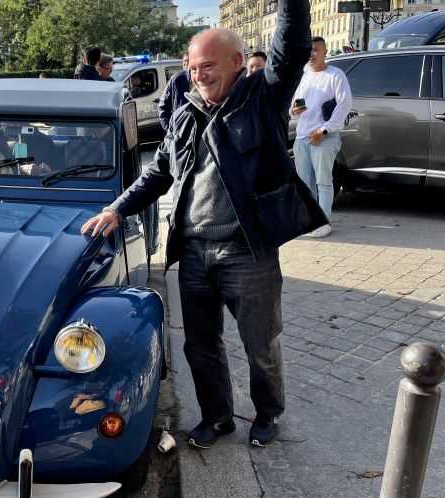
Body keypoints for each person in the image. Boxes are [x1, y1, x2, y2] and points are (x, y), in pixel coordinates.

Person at [81, 0, 326, 449]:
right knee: (200, 346)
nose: (199, 74)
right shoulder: (185, 111)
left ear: (237, 62)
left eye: (208, 65)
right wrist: (117, 208)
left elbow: (289, 47)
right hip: (194, 252)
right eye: (193, 68)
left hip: (246, 253)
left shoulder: (263, 97)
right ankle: (217, 418)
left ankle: (268, 413)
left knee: (261, 344)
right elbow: (159, 171)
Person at [290, 36, 353, 238]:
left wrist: (324, 130)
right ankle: (309, 220)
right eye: (309, 50)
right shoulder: (305, 75)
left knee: (323, 181)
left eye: (316, 50)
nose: (312, 54)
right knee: (305, 183)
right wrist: (294, 110)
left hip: (324, 137)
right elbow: (294, 106)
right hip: (302, 136)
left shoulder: (336, 75)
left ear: (325, 52)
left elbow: (344, 105)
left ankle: (323, 222)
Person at [158, 52, 191, 132]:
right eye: (184, 63)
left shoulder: (206, 79)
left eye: (188, 62)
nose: (187, 66)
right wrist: (169, 130)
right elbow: (163, 106)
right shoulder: (177, 79)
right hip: (180, 132)